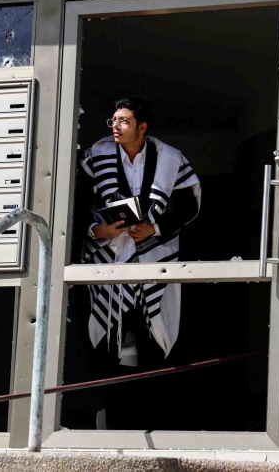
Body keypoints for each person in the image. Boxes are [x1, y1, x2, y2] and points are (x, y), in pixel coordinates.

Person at [79, 97, 201, 426]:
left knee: (155, 342)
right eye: (113, 120)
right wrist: (96, 229)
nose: (115, 126)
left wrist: (155, 228)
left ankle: (155, 421)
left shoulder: (170, 158)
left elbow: (189, 205)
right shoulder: (96, 155)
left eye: (123, 121)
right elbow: (75, 200)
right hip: (108, 261)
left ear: (142, 127)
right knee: (106, 343)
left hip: (155, 259)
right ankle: (106, 420)